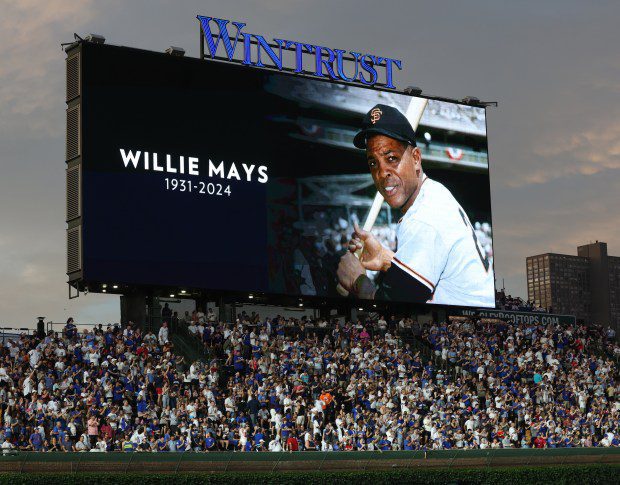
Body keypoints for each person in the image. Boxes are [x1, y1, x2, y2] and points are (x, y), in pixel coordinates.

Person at [336, 104, 494, 306]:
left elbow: (394, 310)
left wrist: (356, 280)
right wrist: (385, 258)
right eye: (373, 163)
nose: (382, 172)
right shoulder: (433, 192)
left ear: (416, 158)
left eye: (392, 158)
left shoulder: (424, 218)